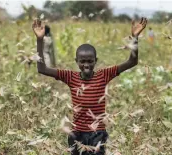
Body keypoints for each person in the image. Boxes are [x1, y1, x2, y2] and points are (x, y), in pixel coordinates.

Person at [32, 18, 147, 155]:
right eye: (82, 61)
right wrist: (39, 40)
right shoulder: (70, 77)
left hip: (97, 134)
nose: (86, 65)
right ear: (76, 62)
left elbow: (132, 62)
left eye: (90, 61)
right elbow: (42, 68)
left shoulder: (104, 75)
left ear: (95, 61)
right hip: (77, 134)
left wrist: (135, 38)